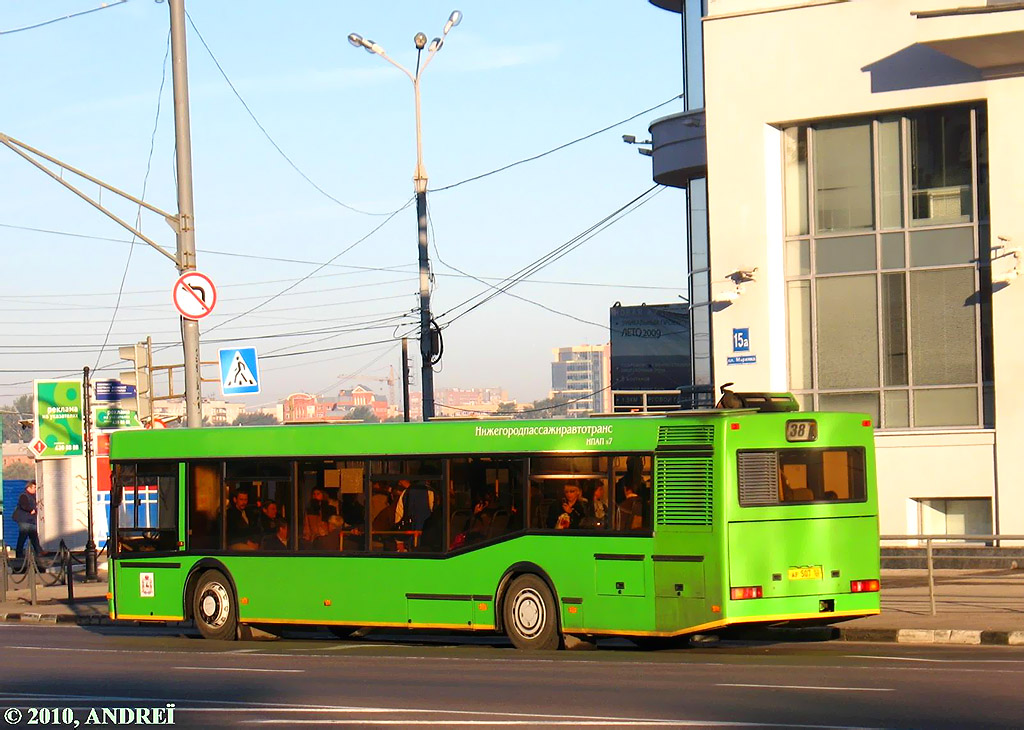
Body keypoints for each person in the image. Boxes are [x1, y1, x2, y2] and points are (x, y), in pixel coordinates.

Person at [13, 480, 43, 565]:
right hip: (24, 519)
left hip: (30, 520)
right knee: (23, 536)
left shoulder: (33, 496)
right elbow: (23, 505)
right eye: (34, 487)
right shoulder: (24, 495)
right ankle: (19, 553)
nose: (35, 489)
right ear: (28, 487)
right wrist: (31, 510)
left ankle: (38, 551)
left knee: (33, 536)